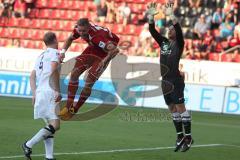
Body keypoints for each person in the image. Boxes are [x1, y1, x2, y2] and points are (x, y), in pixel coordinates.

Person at [147, 1, 193, 152]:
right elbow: (152, 30)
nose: (169, 30)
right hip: (165, 81)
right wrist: (151, 16)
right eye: (168, 29)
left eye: (171, 28)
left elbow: (179, 28)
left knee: (180, 107)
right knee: (172, 109)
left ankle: (189, 137)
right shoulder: (164, 43)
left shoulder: (179, 43)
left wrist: (171, 15)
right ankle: (180, 136)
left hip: (175, 80)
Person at [59, 18, 120, 120]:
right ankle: (68, 106)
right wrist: (62, 53)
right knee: (74, 73)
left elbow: (115, 50)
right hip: (93, 48)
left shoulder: (97, 36)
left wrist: (104, 61)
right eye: (80, 31)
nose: (82, 34)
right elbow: (70, 38)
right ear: (77, 27)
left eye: (84, 31)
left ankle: (75, 109)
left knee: (88, 82)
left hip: (104, 54)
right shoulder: (78, 30)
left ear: (89, 28)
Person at [22, 32, 62, 160]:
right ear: (55, 40)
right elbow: (54, 69)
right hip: (49, 92)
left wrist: (34, 93)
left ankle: (49, 157)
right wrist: (56, 90)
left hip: (40, 92)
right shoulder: (55, 53)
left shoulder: (40, 56)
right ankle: (28, 144)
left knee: (49, 126)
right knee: (55, 125)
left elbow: (32, 76)